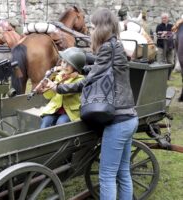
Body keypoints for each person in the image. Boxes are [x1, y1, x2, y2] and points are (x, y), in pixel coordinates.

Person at [46, 8, 138, 199]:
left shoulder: (107, 47)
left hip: (118, 121)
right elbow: (99, 65)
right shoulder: (116, 45)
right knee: (122, 172)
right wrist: (79, 63)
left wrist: (59, 88)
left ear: (102, 28)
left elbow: (90, 79)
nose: (92, 29)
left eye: (94, 26)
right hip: (130, 118)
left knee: (107, 175)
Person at [37, 47, 85, 129]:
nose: (64, 66)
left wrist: (54, 86)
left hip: (69, 111)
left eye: (69, 64)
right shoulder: (59, 76)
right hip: (55, 109)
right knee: (45, 122)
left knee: (61, 124)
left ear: (76, 67)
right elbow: (49, 96)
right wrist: (46, 89)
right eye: (63, 62)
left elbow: (68, 90)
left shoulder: (80, 79)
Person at [156, 13, 175, 79]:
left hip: (170, 46)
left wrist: (165, 33)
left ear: (168, 18)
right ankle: (159, 77)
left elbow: (174, 34)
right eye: (163, 18)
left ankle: (168, 76)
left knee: (171, 62)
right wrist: (168, 34)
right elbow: (159, 35)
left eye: (165, 18)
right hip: (161, 46)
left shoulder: (171, 26)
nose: (164, 19)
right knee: (160, 61)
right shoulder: (159, 26)